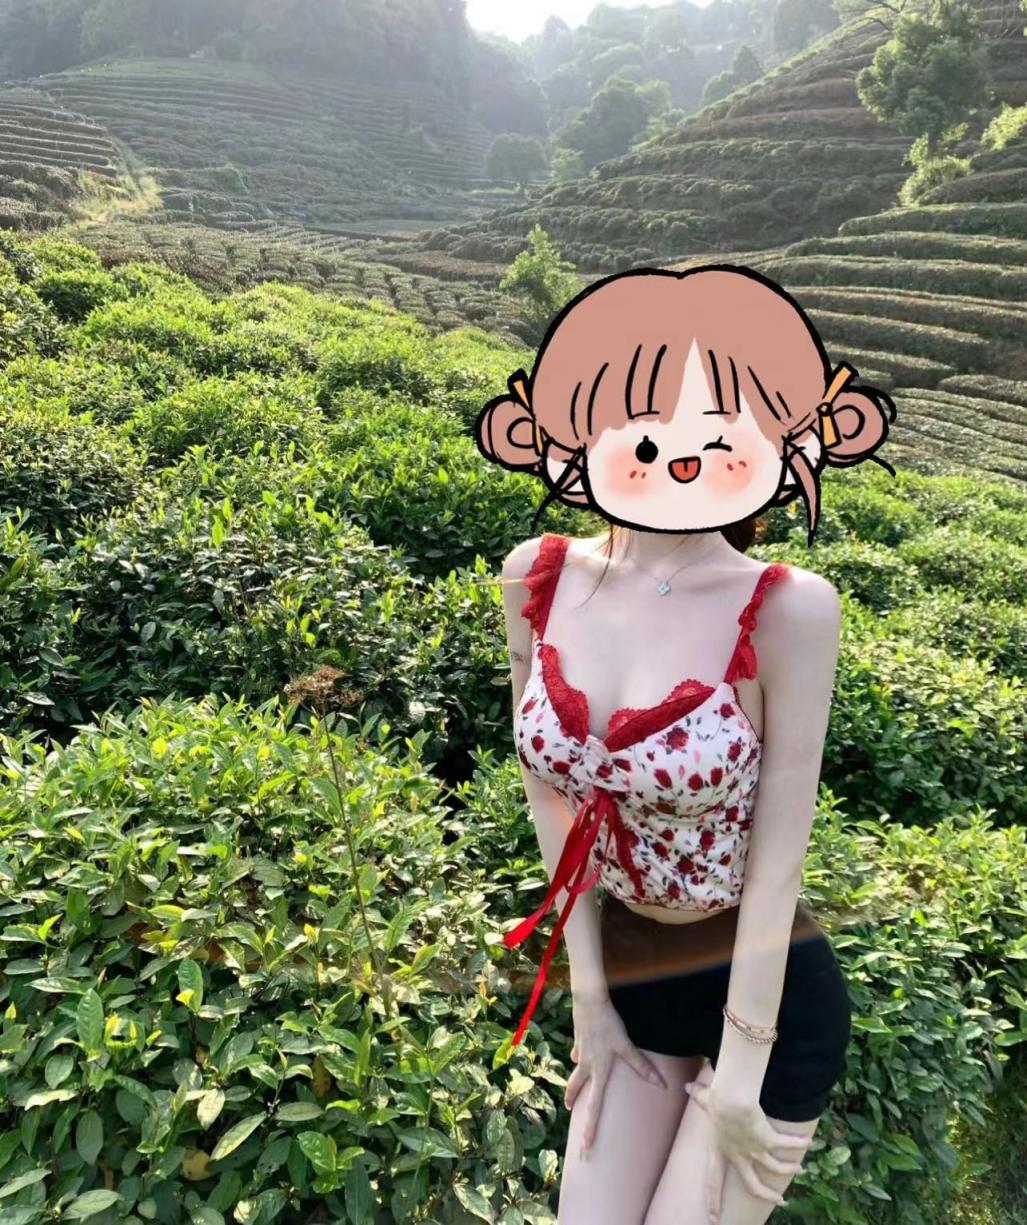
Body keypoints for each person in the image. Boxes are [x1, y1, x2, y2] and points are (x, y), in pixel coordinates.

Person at [475, 265, 896, 1224]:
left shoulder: (788, 608)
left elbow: (779, 857)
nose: (676, 462)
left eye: (717, 436)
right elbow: (550, 797)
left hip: (764, 1001)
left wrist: (744, 1064)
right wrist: (588, 996)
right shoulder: (534, 577)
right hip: (629, 974)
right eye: (646, 431)